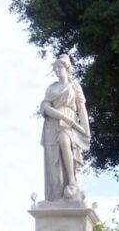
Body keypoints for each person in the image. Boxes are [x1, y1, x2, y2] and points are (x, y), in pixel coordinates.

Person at [39, 54, 91, 202]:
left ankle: (72, 181)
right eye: (55, 68)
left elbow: (82, 109)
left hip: (69, 124)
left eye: (60, 67)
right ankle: (56, 193)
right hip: (53, 124)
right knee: (53, 159)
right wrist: (62, 117)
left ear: (67, 69)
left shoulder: (75, 87)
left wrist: (86, 130)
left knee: (65, 142)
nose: (57, 70)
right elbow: (45, 108)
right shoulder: (51, 89)